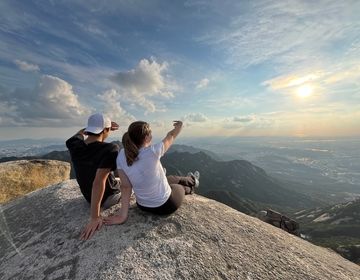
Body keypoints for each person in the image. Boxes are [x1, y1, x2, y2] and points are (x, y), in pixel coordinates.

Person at [103, 120, 199, 226]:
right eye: (150, 134)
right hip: (166, 205)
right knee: (179, 186)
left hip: (142, 206)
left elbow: (126, 187)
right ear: (146, 138)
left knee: (171, 177)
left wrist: (122, 216)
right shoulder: (153, 151)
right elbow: (171, 135)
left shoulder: (121, 155)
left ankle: (192, 179)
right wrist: (179, 126)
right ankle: (191, 186)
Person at [65, 113, 121, 240]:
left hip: (88, 197)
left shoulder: (74, 144)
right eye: (108, 130)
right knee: (130, 184)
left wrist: (98, 126)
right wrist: (95, 217)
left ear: (88, 129)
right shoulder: (110, 148)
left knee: (115, 178)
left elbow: (79, 134)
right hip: (109, 197)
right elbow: (99, 181)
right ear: (106, 130)